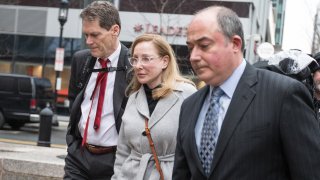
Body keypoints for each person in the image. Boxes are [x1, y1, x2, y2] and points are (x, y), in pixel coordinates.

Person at [173, 6, 320, 179]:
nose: (193, 57)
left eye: (204, 46)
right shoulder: (189, 105)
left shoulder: (283, 94)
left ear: (235, 44)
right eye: (190, 48)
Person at [111, 34, 197, 180]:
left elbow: (195, 151)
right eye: (135, 59)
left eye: (146, 58)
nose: (138, 65)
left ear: (164, 61)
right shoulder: (133, 98)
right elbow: (123, 152)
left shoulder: (186, 94)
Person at [64, 1, 131, 179]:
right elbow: (74, 101)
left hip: (115, 160)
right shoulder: (81, 60)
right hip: (79, 157)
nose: (88, 41)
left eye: (95, 35)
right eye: (86, 35)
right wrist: (73, 144)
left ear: (115, 30)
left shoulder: (133, 65)